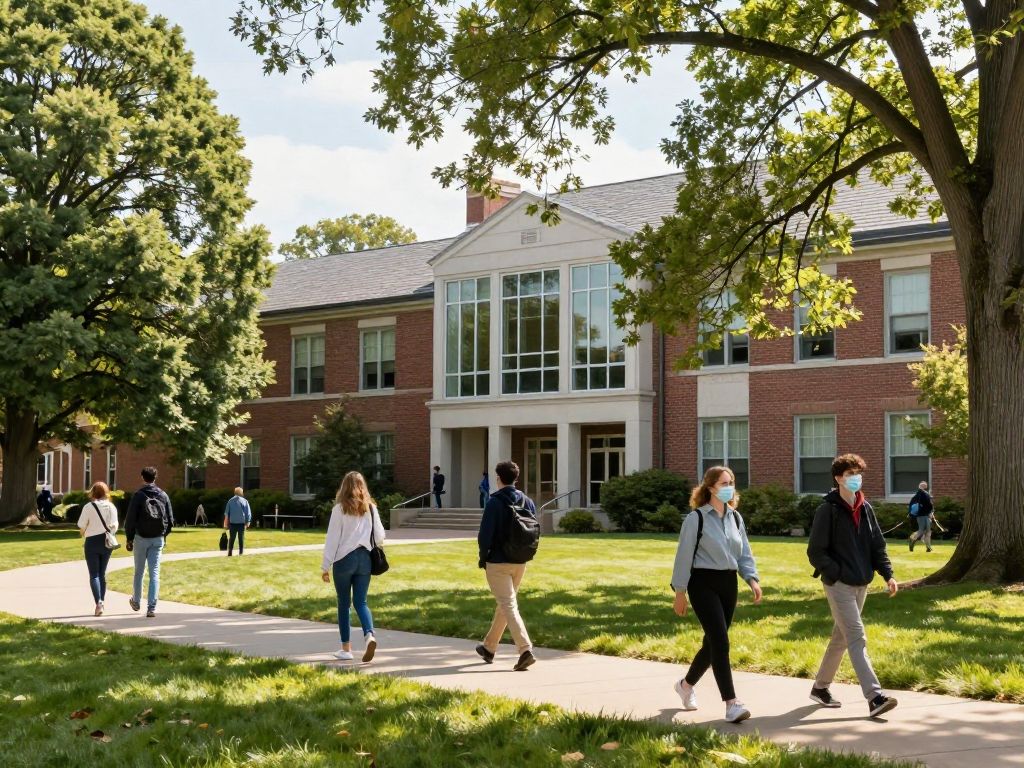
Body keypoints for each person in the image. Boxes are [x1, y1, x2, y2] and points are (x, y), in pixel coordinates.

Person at [807, 453, 899, 718]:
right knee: (857, 637)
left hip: (861, 583)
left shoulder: (865, 507)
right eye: (850, 474)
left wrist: (887, 574)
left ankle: (820, 688)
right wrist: (837, 574)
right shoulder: (829, 510)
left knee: (841, 638)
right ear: (838, 478)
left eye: (858, 473)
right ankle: (875, 697)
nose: (855, 478)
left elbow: (876, 545)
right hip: (839, 585)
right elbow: (816, 552)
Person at [670, 466, 761, 723]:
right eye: (724, 483)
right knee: (720, 642)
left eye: (731, 482)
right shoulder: (696, 519)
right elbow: (683, 557)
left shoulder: (735, 518)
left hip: (728, 583)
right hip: (702, 583)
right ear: (710, 487)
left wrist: (752, 579)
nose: (729, 487)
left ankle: (685, 686)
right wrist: (680, 592)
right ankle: (731, 703)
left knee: (712, 643)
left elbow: (744, 553)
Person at [475, 460, 538, 671]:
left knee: (508, 605)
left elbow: (485, 536)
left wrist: (484, 557)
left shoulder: (494, 502)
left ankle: (525, 649)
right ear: (516, 478)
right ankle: (489, 647)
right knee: (505, 604)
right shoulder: (527, 501)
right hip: (520, 561)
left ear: (498, 478)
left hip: (498, 562)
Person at [321, 471, 385, 662]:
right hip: (365, 559)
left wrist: (325, 566)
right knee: (361, 602)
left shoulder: (339, 509)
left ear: (344, 487)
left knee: (343, 603)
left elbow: (332, 539)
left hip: (344, 560)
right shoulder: (371, 508)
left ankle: (346, 649)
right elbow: (380, 535)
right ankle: (369, 635)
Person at [124, 466, 174, 618]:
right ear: (155, 477)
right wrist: (164, 536)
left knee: (139, 571)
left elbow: (130, 519)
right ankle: (151, 607)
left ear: (142, 477)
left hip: (141, 538)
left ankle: (136, 601)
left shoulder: (139, 495)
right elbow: (171, 519)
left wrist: (129, 537)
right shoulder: (163, 495)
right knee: (155, 573)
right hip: (157, 538)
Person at [78, 481, 119, 616]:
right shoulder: (111, 507)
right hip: (106, 542)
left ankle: (98, 603)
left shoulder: (88, 507)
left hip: (92, 541)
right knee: (102, 573)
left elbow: (81, 526)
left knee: (94, 574)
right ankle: (102, 601)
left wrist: (83, 533)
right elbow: (115, 526)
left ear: (93, 492)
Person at [223, 487, 252, 556]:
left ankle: (230, 552)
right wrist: (248, 522)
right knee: (241, 538)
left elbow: (227, 514)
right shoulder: (244, 501)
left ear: (235, 492)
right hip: (241, 523)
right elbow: (248, 512)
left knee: (232, 538)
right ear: (241, 493)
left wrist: (225, 524)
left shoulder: (230, 501)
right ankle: (241, 552)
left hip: (233, 523)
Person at [908, 481, 935, 552]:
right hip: (926, 515)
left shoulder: (915, 496)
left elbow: (910, 506)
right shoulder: (925, 494)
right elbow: (929, 505)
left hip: (919, 516)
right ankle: (926, 546)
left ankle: (914, 539)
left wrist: (910, 514)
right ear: (924, 487)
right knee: (927, 531)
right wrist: (931, 512)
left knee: (922, 530)